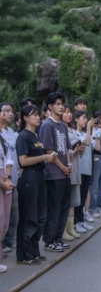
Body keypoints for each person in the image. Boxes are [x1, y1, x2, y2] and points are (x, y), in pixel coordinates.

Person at [16, 105, 55, 265]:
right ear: (25, 118)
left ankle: (34, 251)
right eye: (34, 115)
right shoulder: (23, 137)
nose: (38, 117)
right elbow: (23, 161)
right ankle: (24, 254)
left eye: (38, 115)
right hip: (29, 179)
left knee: (40, 216)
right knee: (29, 216)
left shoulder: (35, 135)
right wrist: (44, 157)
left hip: (39, 177)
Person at [39, 92, 72, 252]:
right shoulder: (47, 125)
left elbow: (65, 149)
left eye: (62, 103)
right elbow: (50, 151)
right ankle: (49, 240)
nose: (61, 106)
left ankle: (58, 238)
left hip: (65, 173)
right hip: (53, 174)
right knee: (53, 208)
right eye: (58, 103)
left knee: (64, 207)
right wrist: (63, 167)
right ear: (50, 106)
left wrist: (69, 164)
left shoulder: (63, 126)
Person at [62, 105, 84, 240]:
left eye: (70, 112)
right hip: (65, 170)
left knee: (74, 201)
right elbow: (61, 152)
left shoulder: (72, 129)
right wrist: (73, 151)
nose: (69, 115)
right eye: (66, 112)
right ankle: (63, 229)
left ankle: (70, 228)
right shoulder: (60, 129)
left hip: (76, 169)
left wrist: (79, 150)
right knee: (65, 201)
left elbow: (76, 153)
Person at [0, 102, 18, 254]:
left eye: (12, 111)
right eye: (6, 111)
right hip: (3, 178)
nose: (10, 114)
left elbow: (11, 156)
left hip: (11, 177)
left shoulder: (11, 132)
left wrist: (13, 173)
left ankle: (9, 239)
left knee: (11, 211)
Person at [73, 110, 94, 232]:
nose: (86, 120)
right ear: (76, 119)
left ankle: (81, 220)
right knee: (77, 197)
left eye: (86, 118)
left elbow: (94, 145)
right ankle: (76, 222)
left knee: (83, 195)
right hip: (78, 170)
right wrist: (90, 128)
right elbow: (86, 142)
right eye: (83, 118)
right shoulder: (74, 134)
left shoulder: (87, 134)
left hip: (87, 169)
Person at [0, 129, 14, 271]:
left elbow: (8, 158)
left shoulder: (3, 138)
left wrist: (7, 177)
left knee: (5, 221)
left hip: (5, 177)